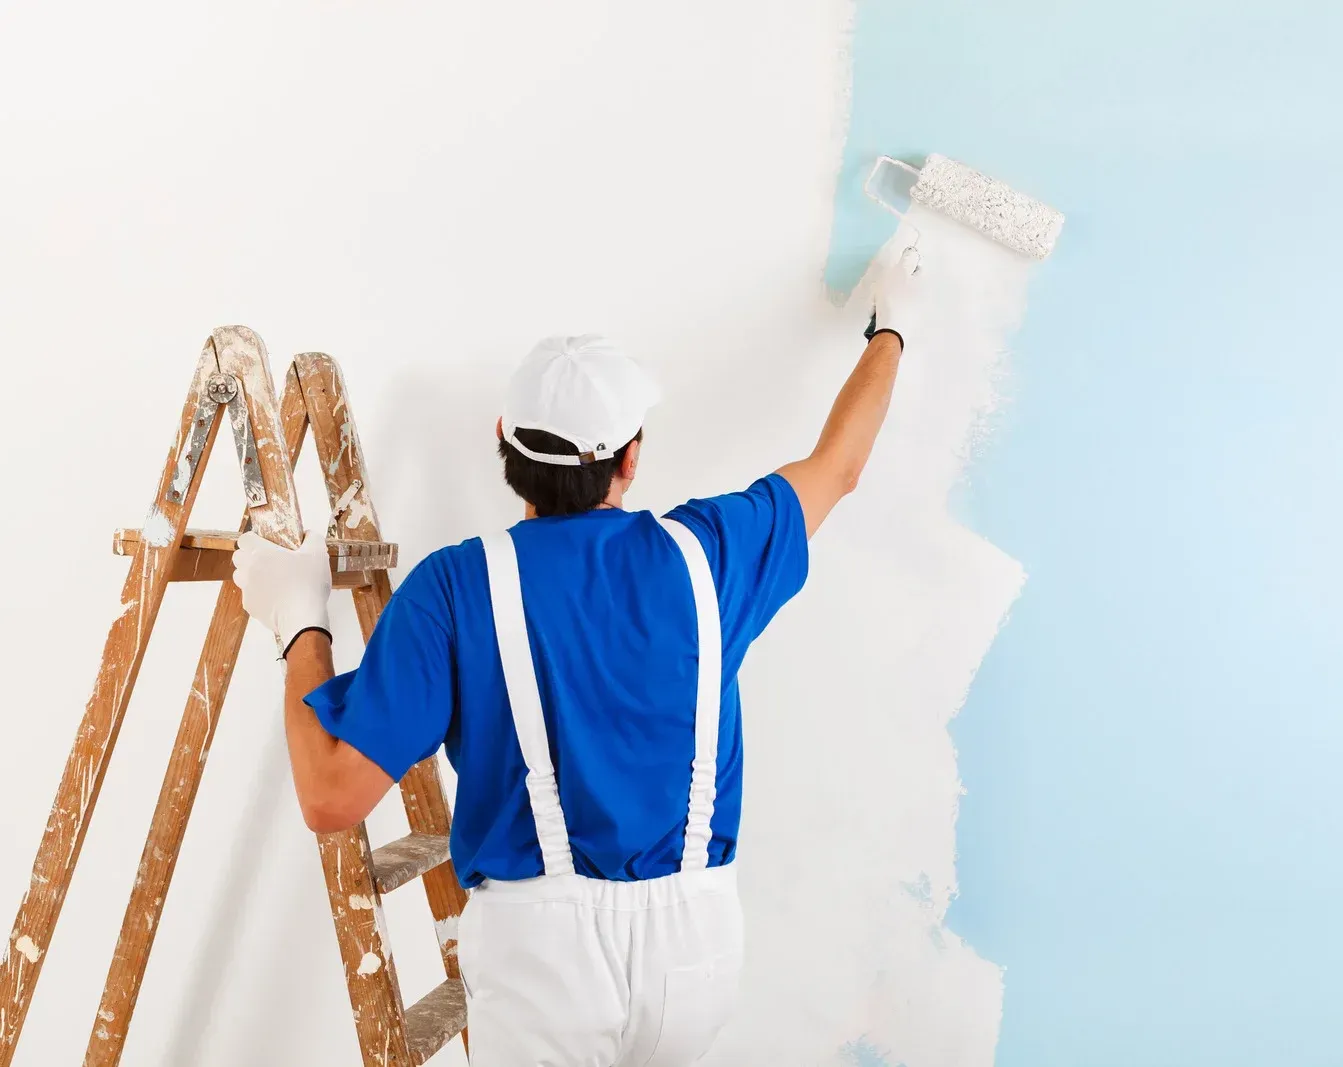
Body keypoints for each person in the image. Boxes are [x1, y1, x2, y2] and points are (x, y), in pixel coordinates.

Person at [230, 250, 919, 1067]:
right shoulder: (709, 553)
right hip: (695, 953)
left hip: (540, 963)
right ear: (631, 456)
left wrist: (298, 620)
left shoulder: (455, 588)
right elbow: (838, 465)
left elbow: (331, 794)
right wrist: (892, 328)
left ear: (503, 445)